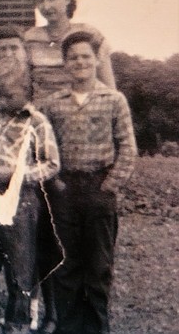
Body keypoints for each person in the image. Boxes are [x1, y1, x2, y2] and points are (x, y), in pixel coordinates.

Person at [42, 31, 136, 334]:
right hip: (65, 190)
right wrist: (55, 182)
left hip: (99, 188)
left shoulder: (113, 99)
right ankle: (68, 327)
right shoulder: (54, 103)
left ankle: (96, 327)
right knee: (66, 265)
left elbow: (127, 147)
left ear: (96, 59)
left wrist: (110, 185)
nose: (80, 62)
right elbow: (43, 148)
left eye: (85, 56)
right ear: (65, 63)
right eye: (73, 57)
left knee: (98, 266)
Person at [0, 58, 60, 334]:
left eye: (10, 95)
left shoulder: (37, 122)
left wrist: (18, 174)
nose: (3, 100)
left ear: (27, 92)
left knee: (19, 267)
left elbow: (52, 164)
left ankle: (17, 324)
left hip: (20, 200)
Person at [24, 0, 116, 107]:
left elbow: (109, 87)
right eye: (40, 0)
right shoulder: (29, 38)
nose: (46, 6)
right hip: (42, 115)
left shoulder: (89, 34)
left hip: (82, 111)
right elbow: (24, 85)